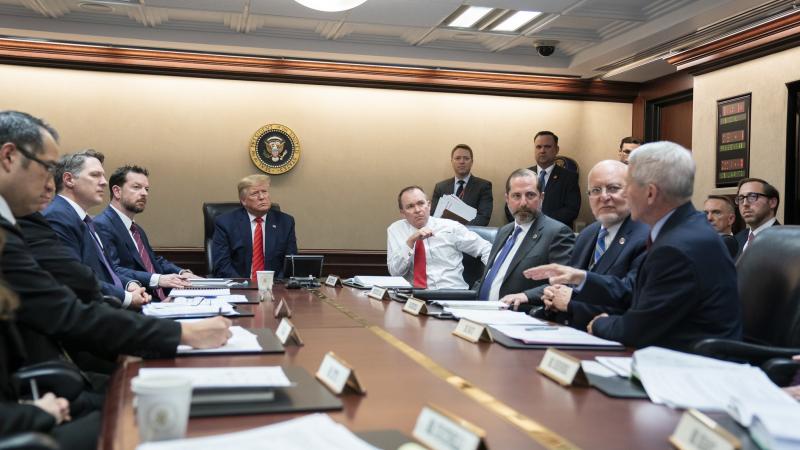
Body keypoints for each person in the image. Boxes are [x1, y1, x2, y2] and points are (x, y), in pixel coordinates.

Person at [0, 110, 231, 366]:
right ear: (8, 157)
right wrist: (181, 333)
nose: (50, 184)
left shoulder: (40, 219)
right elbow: (72, 298)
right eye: (46, 168)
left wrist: (135, 286)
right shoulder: (50, 218)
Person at [540, 141, 740, 351]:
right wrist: (581, 278)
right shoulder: (682, 229)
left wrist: (600, 323)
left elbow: (639, 328)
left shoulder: (677, 246)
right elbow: (633, 290)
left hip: (692, 367)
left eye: (629, 186)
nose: (625, 195)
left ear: (650, 193)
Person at [516, 160, 648, 329]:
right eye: (595, 190)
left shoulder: (646, 236)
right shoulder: (587, 234)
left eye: (614, 188)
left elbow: (632, 301)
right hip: (568, 332)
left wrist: (571, 304)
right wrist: (552, 297)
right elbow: (569, 288)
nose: (604, 197)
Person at [43, 150, 149, 309]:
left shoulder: (86, 220)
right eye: (95, 175)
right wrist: (127, 297)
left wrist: (129, 285)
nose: (104, 182)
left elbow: (107, 271)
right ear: (69, 179)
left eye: (103, 176)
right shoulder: (57, 217)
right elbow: (75, 278)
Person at [94, 165, 200, 300]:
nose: (144, 193)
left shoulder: (136, 229)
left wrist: (181, 272)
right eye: (137, 187)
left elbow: (153, 260)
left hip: (163, 301)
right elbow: (114, 270)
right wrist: (158, 279)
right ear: (117, 192)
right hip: (140, 304)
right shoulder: (102, 224)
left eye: (147, 189)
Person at [477, 169, 574, 306]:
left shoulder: (557, 233)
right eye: (516, 196)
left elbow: (564, 284)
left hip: (518, 316)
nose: (523, 203)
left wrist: (526, 296)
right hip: (480, 313)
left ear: (541, 197)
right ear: (507, 199)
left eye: (530, 195)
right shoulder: (503, 231)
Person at [17, 174, 105, 304]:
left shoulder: (86, 220)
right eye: (95, 174)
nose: (50, 186)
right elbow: (78, 276)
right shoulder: (55, 215)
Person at [387, 186, 491, 289]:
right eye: (410, 206)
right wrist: (410, 242)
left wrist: (492, 278)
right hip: (416, 299)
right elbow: (395, 272)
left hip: (453, 293)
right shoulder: (396, 230)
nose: (417, 210)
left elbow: (486, 249)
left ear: (429, 205)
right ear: (402, 213)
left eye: (421, 203)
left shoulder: (451, 227)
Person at [211, 174, 297, 279]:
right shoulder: (225, 223)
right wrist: (244, 285)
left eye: (264, 191)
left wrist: (276, 285)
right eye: (255, 193)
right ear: (243, 201)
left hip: (275, 287)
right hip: (238, 286)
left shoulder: (285, 222)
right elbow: (222, 265)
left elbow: (290, 263)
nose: (262, 197)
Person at [504, 131, 580, 228]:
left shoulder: (569, 178)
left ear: (556, 149)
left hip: (554, 232)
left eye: (547, 147)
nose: (542, 151)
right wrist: (524, 222)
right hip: (524, 229)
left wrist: (540, 223)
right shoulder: (522, 175)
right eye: (538, 147)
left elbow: (571, 210)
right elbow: (509, 205)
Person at [430, 144, 493, 226]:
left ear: (472, 162)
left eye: (466, 158)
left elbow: (483, 218)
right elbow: (433, 216)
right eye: (457, 158)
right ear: (452, 161)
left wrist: (460, 230)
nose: (462, 162)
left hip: (471, 234)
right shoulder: (440, 187)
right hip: (444, 234)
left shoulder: (484, 186)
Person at [734, 177, 781, 255]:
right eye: (741, 198)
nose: (745, 203)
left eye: (752, 196)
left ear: (772, 202)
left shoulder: (788, 241)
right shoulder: (737, 239)